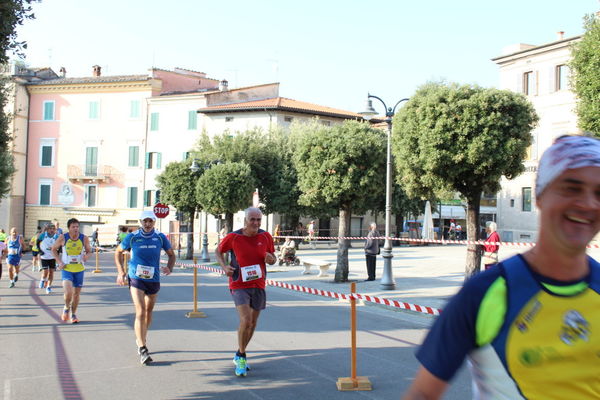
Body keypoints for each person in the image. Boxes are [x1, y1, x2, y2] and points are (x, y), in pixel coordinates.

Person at [402, 134, 600, 400]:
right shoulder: (482, 294)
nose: (588, 204)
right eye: (571, 188)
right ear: (539, 195)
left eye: (599, 193)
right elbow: (423, 394)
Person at [216, 207, 276, 377]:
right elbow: (218, 251)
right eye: (252, 219)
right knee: (245, 320)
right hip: (238, 284)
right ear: (245, 220)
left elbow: (272, 257)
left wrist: (272, 259)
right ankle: (242, 356)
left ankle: (239, 352)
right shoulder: (234, 237)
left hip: (258, 284)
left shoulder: (265, 236)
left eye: (258, 220)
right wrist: (223, 266)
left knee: (253, 324)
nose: (256, 223)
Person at [115, 210, 175, 365]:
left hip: (153, 278)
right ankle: (142, 348)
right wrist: (121, 272)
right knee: (140, 310)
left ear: (154, 222)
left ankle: (141, 336)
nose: (147, 224)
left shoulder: (160, 237)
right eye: (145, 221)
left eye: (150, 221)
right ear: (140, 222)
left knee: (148, 311)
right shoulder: (133, 236)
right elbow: (118, 252)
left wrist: (169, 267)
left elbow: (171, 254)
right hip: (136, 277)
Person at [51, 218, 92, 324]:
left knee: (76, 294)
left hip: (79, 269)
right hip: (67, 269)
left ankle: (73, 314)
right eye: (73, 227)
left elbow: (89, 251)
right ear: (69, 228)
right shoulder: (63, 237)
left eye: (77, 227)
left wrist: (87, 256)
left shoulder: (84, 238)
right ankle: (66, 307)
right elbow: (53, 249)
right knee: (68, 293)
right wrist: (59, 262)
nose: (76, 229)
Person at [37, 223, 60, 294]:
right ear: (47, 229)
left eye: (53, 229)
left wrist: (56, 251)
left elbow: (59, 246)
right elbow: (37, 242)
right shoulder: (43, 235)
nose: (52, 230)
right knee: (45, 272)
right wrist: (40, 251)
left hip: (52, 257)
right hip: (44, 256)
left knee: (51, 272)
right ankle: (42, 280)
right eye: (50, 229)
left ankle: (48, 287)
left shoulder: (56, 236)